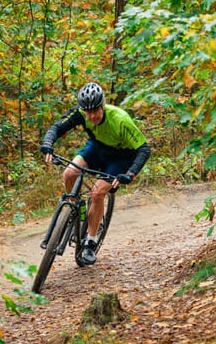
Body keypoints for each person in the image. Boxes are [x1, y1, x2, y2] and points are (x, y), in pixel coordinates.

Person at [40, 82, 151, 265]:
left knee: (97, 193)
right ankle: (74, 209)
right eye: (88, 112)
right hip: (97, 148)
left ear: (103, 105)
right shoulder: (80, 113)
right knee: (69, 173)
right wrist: (48, 144)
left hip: (121, 157)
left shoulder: (120, 119)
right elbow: (57, 127)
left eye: (95, 111)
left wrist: (130, 173)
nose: (91, 116)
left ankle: (90, 242)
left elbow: (144, 150)